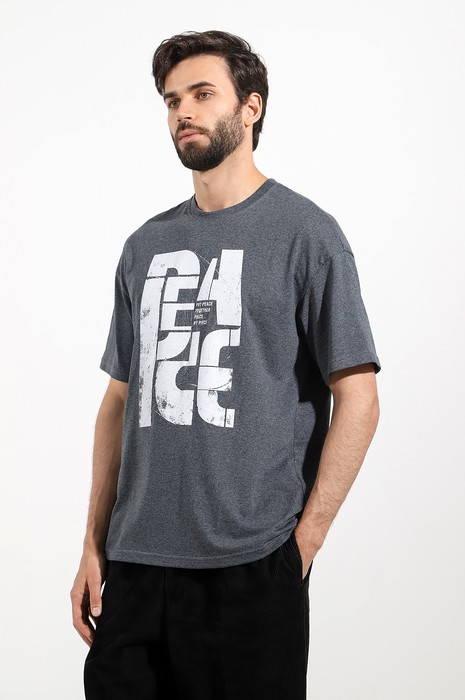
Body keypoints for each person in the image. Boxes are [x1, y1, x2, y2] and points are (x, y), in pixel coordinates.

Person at [70, 29, 382, 699]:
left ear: (250, 107)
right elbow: (119, 401)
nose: (183, 111)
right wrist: (93, 544)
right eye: (171, 99)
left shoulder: (307, 234)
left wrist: (303, 544)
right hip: (134, 565)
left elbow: (357, 395)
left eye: (202, 93)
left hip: (250, 567)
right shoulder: (144, 245)